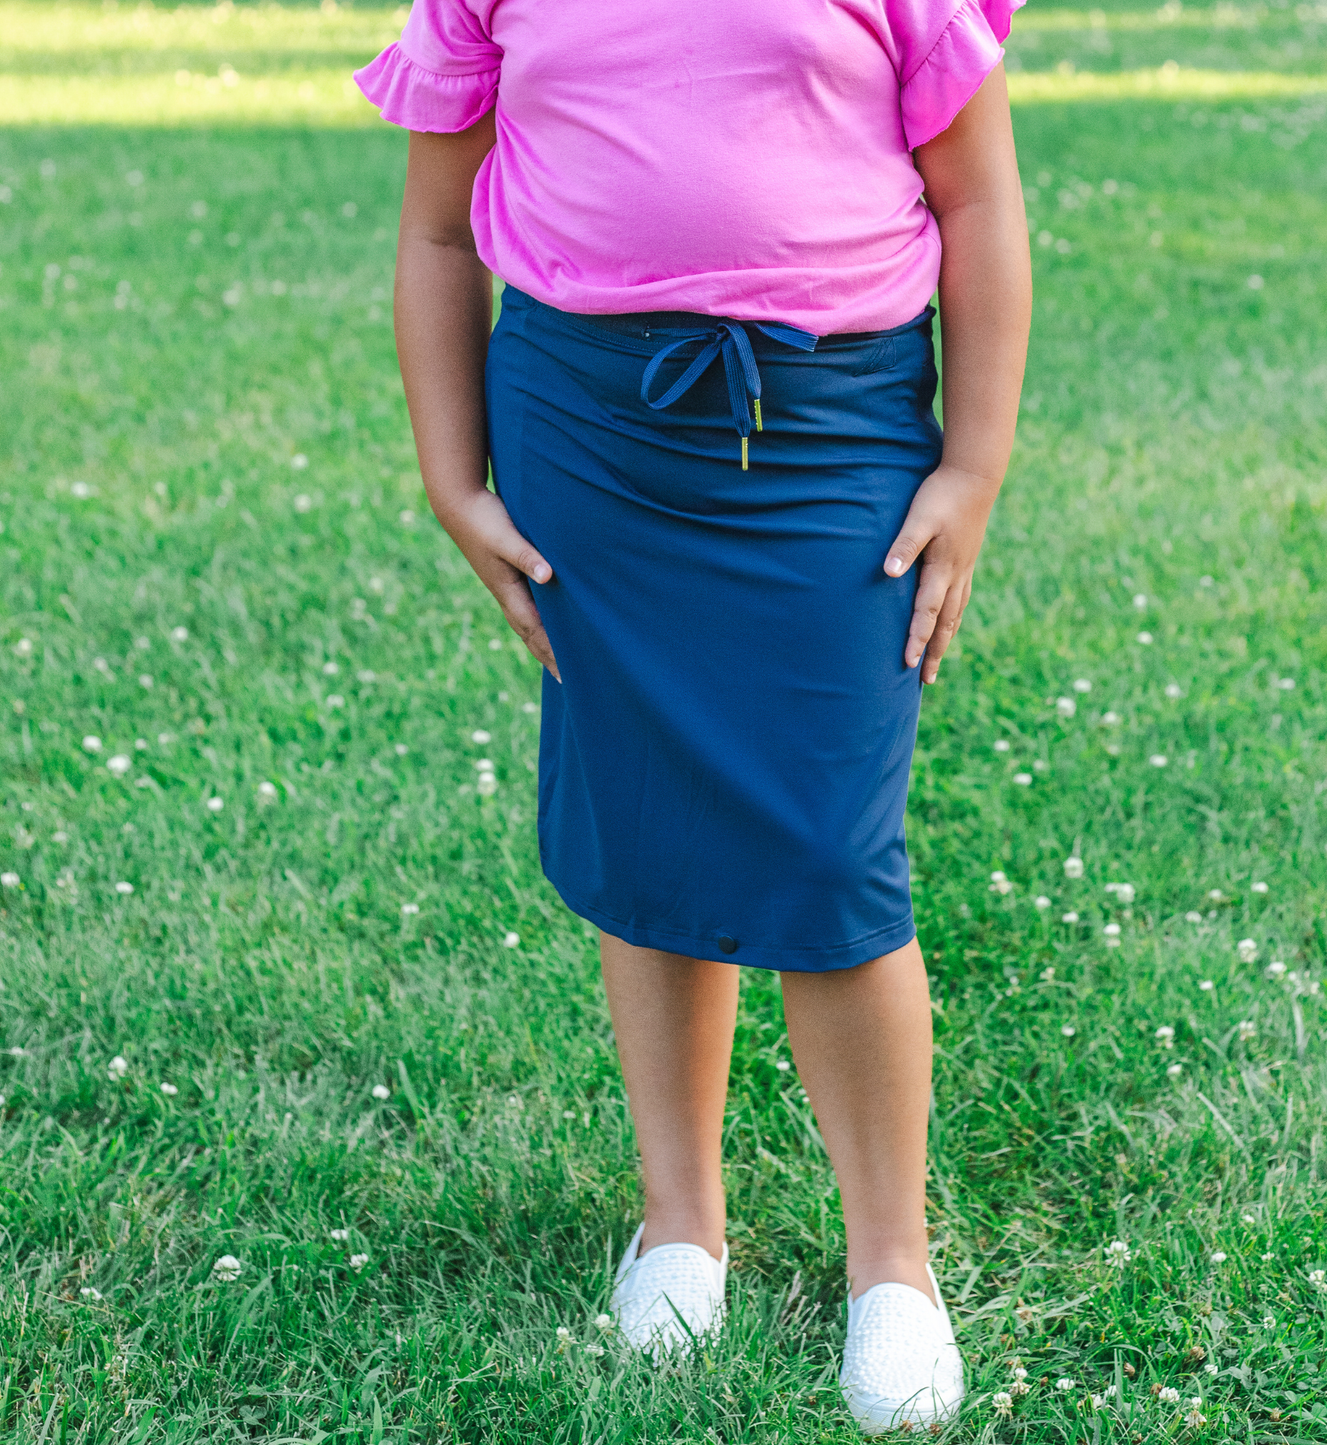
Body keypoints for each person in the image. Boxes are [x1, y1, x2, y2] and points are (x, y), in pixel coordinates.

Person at [356, 0, 1030, 1431]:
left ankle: (892, 1268)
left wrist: (969, 469)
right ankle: (680, 1225)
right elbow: (432, 230)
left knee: (830, 852)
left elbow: (978, 203)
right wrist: (449, 471)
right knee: (649, 825)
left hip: (828, 433)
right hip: (590, 437)